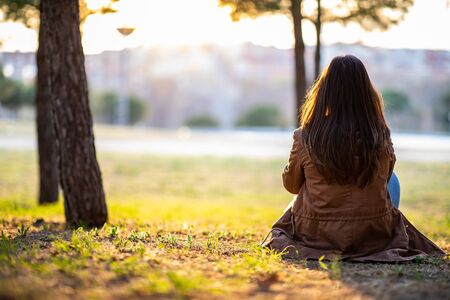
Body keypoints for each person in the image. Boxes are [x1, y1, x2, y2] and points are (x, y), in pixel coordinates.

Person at [263, 55, 445, 262]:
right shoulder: (380, 134)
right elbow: (384, 179)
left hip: (318, 233)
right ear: (366, 93)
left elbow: (293, 186)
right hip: (371, 234)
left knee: (307, 182)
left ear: (324, 92)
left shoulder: (305, 135)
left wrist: (295, 167)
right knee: (393, 178)